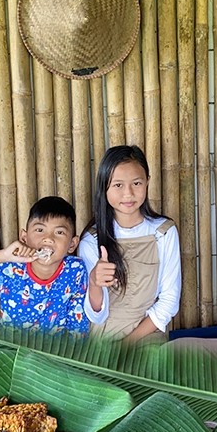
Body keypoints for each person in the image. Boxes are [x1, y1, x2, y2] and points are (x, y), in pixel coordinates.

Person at [78, 145, 182, 342]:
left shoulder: (164, 232)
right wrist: (94, 282)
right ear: (104, 187)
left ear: (147, 182)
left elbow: (169, 300)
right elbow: (95, 315)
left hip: (149, 336)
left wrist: (128, 345)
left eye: (136, 183)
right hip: (102, 342)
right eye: (118, 185)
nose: (128, 193)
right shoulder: (91, 242)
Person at [0, 196, 89, 334]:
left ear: (72, 244)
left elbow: (77, 323)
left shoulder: (75, 270)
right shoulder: (10, 269)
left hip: (52, 354)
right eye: (39, 230)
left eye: (59, 232)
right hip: (11, 352)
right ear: (24, 237)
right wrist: (3, 255)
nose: (48, 238)